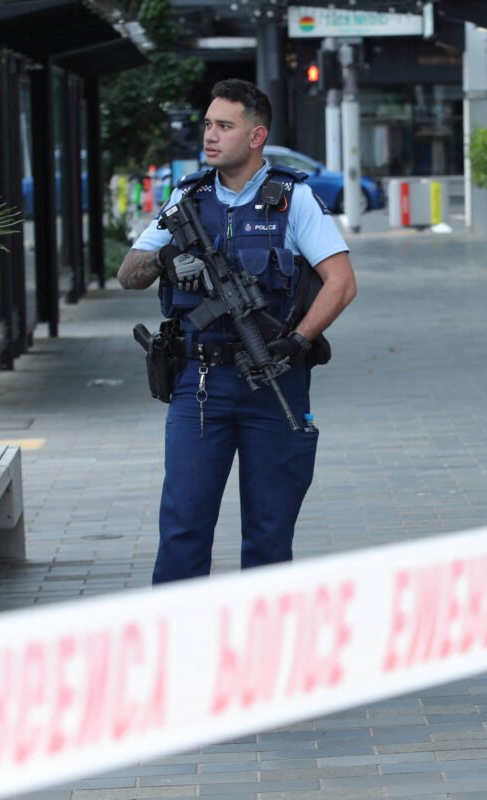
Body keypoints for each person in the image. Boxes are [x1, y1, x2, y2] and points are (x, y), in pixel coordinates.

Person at [118, 78, 356, 584]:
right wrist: (165, 257)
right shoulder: (187, 198)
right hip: (199, 384)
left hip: (273, 378)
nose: (210, 135)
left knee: (269, 533)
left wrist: (297, 341)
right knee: (183, 527)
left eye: (224, 125)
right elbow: (128, 275)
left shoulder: (293, 199)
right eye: (208, 124)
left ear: (256, 136)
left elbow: (341, 283)